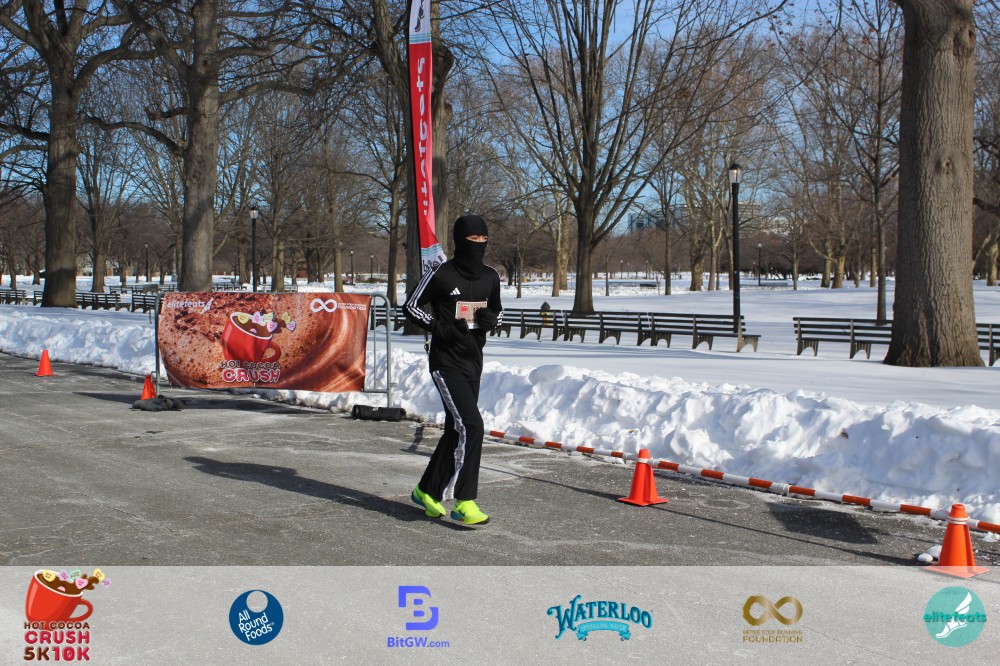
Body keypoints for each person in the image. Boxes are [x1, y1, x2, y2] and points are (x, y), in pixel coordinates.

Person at [404, 213, 503, 525]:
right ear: (461, 241)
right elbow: (410, 306)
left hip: (474, 361)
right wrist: (440, 327)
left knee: (456, 429)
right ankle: (464, 500)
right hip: (446, 362)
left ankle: (426, 490)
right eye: (473, 239)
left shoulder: (491, 276)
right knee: (472, 426)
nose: (479, 244)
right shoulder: (441, 273)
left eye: (483, 239)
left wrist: (491, 320)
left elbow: (498, 312)